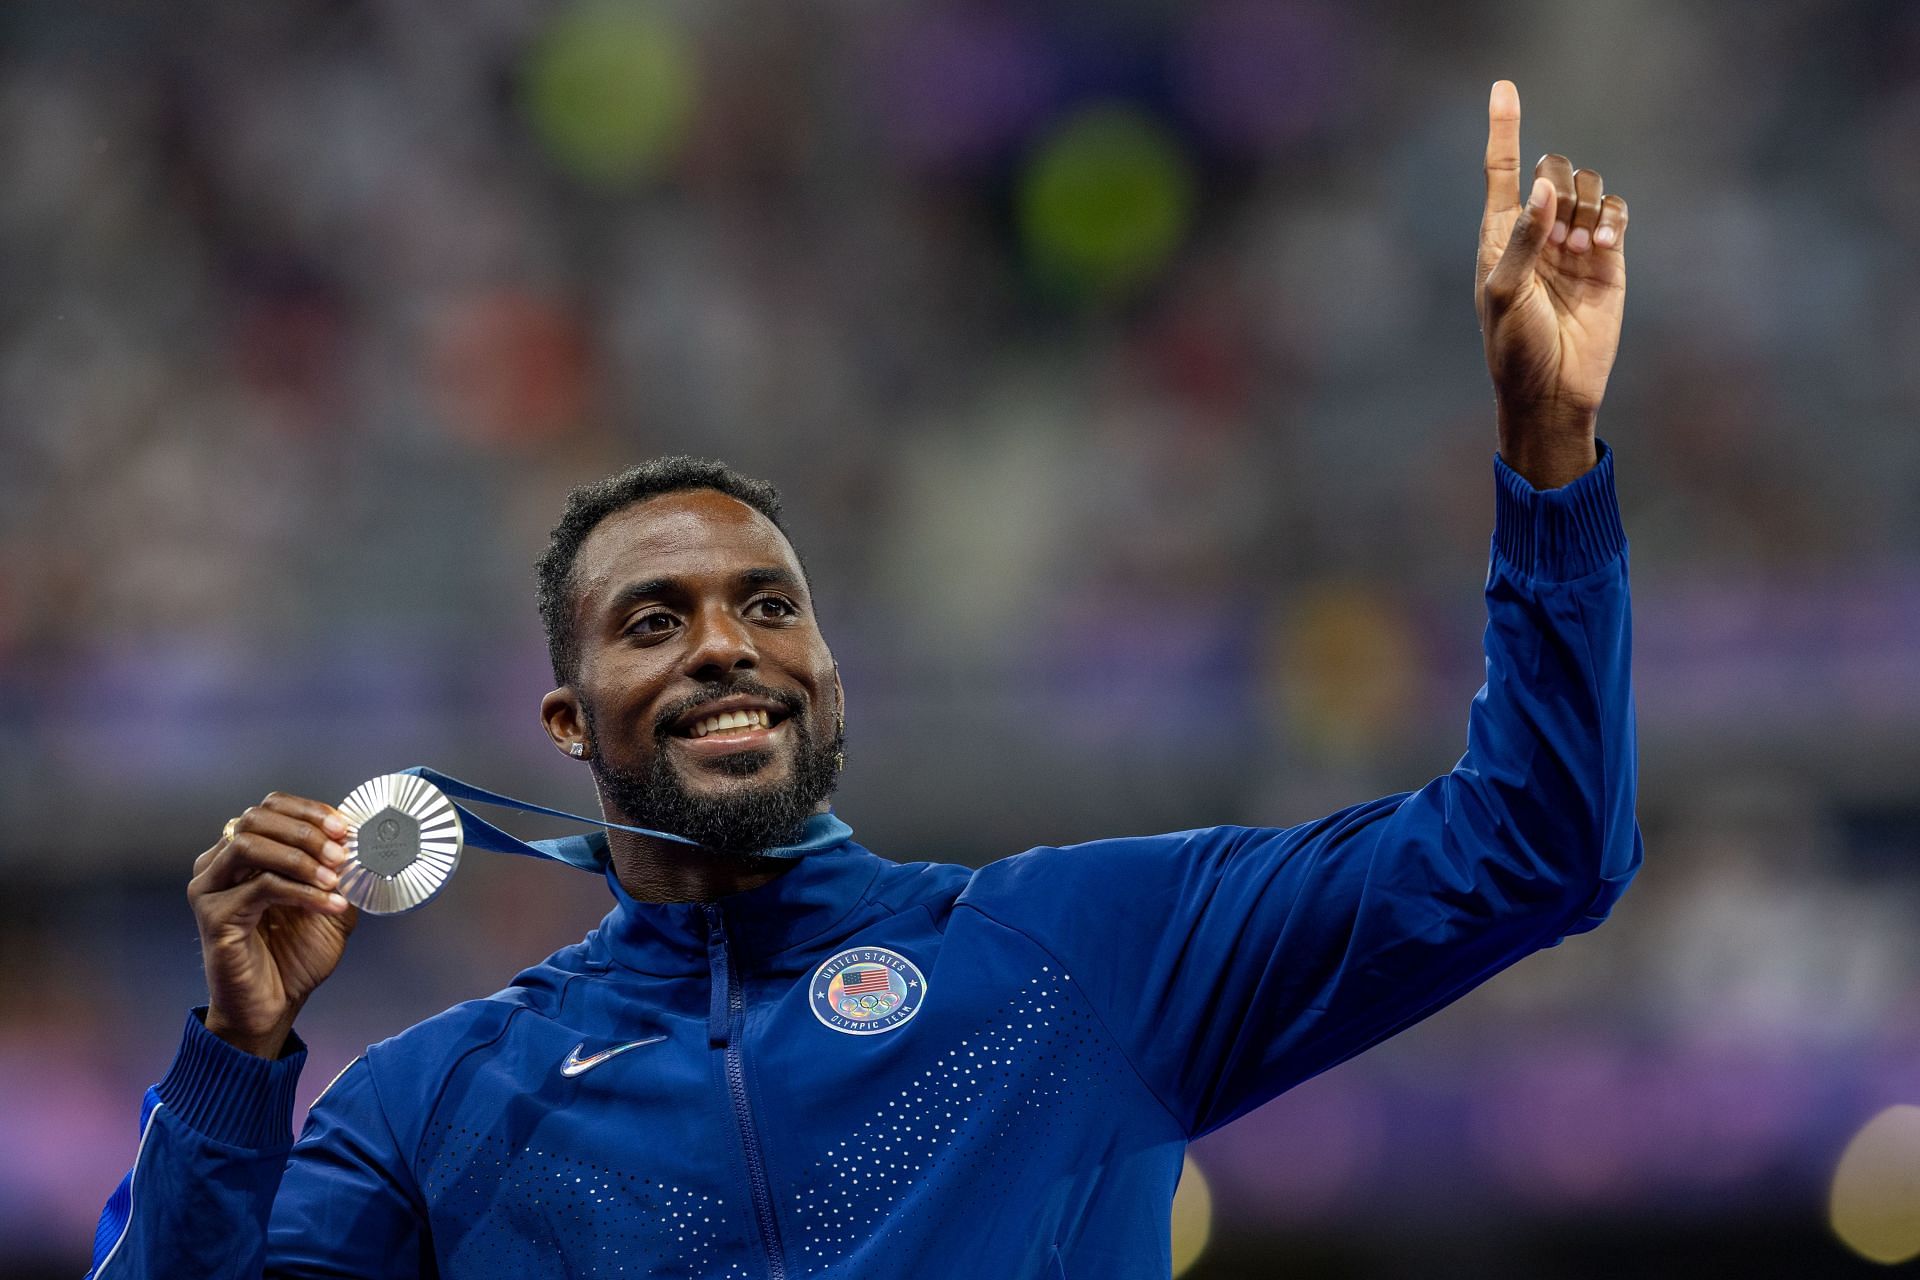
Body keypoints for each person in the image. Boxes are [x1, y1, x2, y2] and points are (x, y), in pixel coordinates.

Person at [86, 80, 1640, 1279]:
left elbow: (1535, 850)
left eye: (770, 605)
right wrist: (234, 1065)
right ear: (566, 722)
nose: (723, 643)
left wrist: (1548, 459)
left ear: (829, 679)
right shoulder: (436, 1106)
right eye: (652, 622)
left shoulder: (1079, 955)